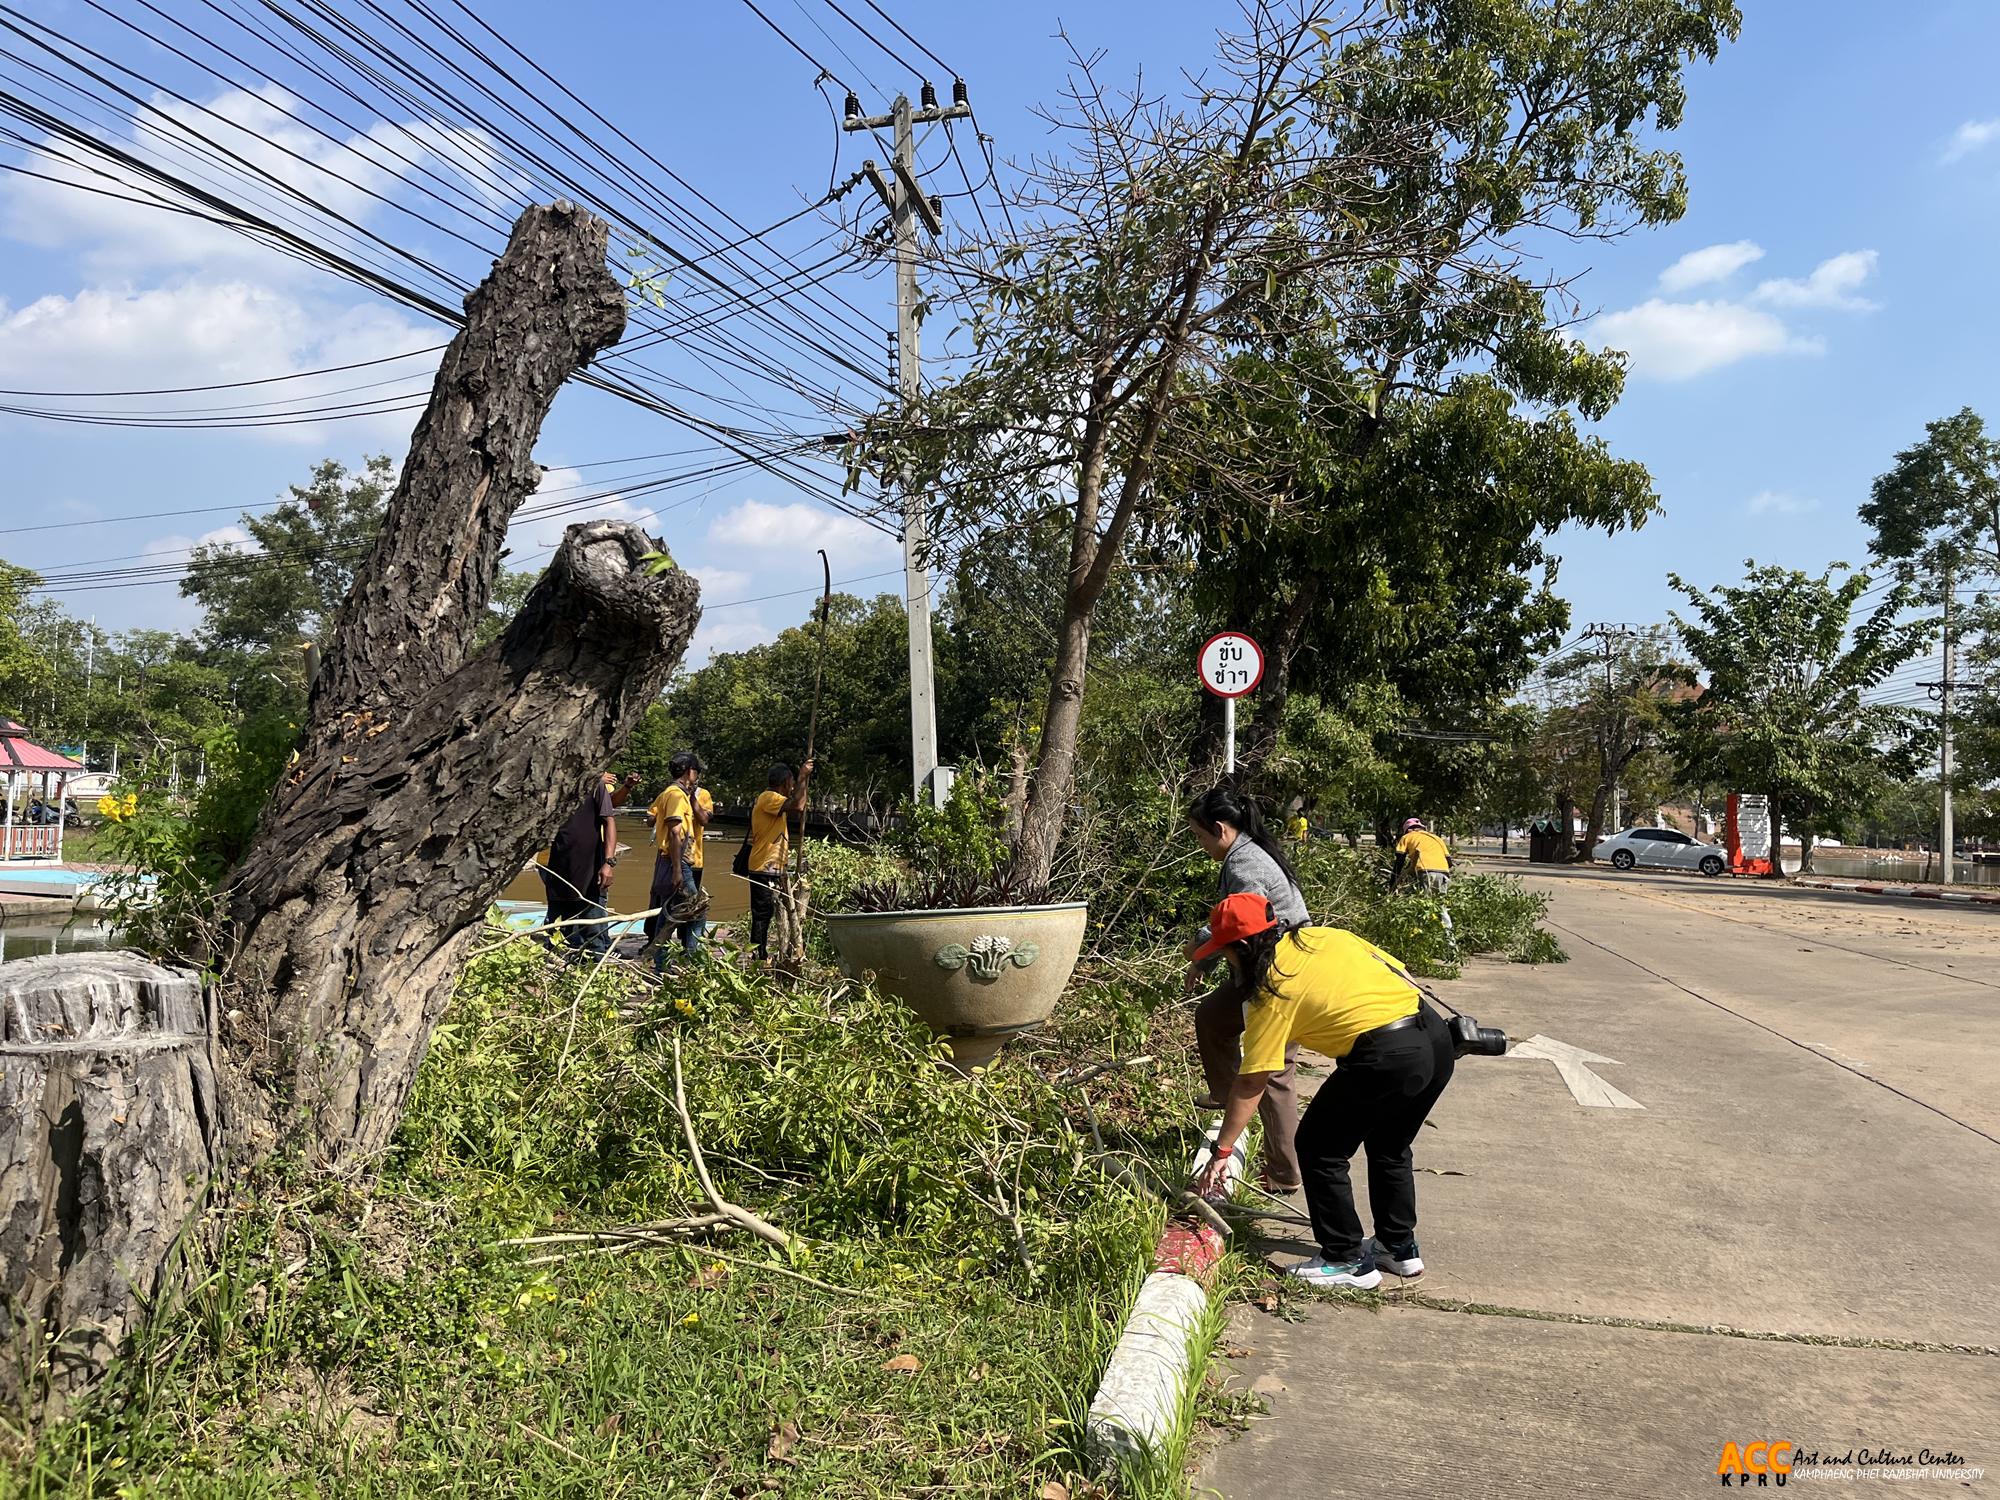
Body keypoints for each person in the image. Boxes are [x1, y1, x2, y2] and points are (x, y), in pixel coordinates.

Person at [1191, 892, 1456, 1288]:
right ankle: (1397, 1248)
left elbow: (1252, 1082)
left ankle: (1345, 1257)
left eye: (1225, 952)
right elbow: (1401, 974)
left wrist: (1222, 1151)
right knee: (1389, 1145)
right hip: (1433, 1035)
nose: (1225, 962)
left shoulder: (1269, 994)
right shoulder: (1322, 936)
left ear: (1243, 947)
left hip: (1386, 1054)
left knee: (1319, 1146)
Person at [1185, 784, 1311, 1193]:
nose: (1200, 845)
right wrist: (1204, 960)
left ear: (1220, 829)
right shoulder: (1246, 852)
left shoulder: (1245, 865)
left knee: (1274, 1071)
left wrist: (1199, 952)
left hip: (1280, 972)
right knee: (1212, 1018)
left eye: (1200, 836)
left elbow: (1244, 921)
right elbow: (1234, 927)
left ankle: (1285, 1172)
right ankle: (1227, 1096)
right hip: (1260, 964)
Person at [540, 770, 639, 959]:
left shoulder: (596, 786)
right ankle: (564, 964)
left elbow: (609, 817)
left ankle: (598, 955)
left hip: (590, 866)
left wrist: (608, 863)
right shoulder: (551, 785)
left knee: (593, 922)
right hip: (557, 866)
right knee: (559, 926)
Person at [645, 751, 712, 962]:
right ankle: (693, 962)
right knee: (697, 910)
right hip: (679, 862)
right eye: (696, 770)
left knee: (668, 912)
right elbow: (675, 832)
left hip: (677, 861)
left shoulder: (679, 794)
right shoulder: (675, 795)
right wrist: (676, 870)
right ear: (688, 771)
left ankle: (659, 961)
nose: (697, 775)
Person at [745, 758, 812, 962]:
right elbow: (798, 805)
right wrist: (803, 777)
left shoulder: (775, 801)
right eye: (791, 783)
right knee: (762, 915)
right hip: (763, 867)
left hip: (774, 868)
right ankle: (758, 955)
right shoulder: (768, 798)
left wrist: (802, 781)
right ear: (784, 782)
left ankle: (780, 952)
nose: (792, 787)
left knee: (780, 912)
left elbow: (799, 804)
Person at [1391, 816, 1452, 894]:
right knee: (1439, 901)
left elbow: (1399, 862)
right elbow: (1449, 862)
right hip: (1443, 872)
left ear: (1409, 830)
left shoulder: (1407, 837)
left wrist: (1393, 883)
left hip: (1424, 872)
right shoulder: (1437, 839)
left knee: (1422, 900)